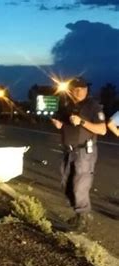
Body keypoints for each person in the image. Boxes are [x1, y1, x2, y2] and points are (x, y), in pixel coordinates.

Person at [51, 77, 107, 231]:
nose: (78, 91)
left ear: (86, 90)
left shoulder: (93, 106)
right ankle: (78, 215)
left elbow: (102, 130)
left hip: (84, 152)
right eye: (75, 89)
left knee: (79, 186)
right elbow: (63, 123)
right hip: (69, 150)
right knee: (67, 184)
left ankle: (83, 219)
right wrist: (59, 125)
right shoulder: (67, 105)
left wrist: (82, 122)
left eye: (82, 88)